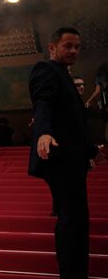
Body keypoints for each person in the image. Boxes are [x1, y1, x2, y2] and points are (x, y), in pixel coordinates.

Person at [29, 27, 99, 279]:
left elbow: (72, 121)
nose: (74, 51)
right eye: (67, 46)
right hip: (61, 157)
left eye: (77, 47)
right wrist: (44, 132)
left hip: (73, 157)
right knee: (72, 220)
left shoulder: (65, 75)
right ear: (52, 47)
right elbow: (43, 102)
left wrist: (90, 150)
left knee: (77, 219)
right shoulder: (46, 69)